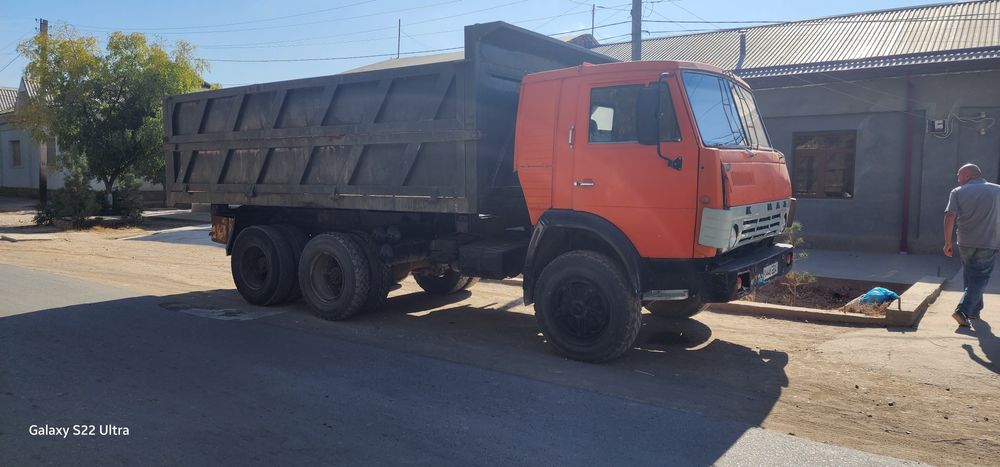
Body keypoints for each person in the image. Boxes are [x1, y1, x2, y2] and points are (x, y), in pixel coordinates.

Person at [943, 163, 1000, 326]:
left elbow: (950, 216)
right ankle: (963, 310)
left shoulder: (958, 192)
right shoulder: (997, 190)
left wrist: (948, 242)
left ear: (967, 175)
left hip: (965, 242)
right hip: (988, 242)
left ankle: (974, 310)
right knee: (979, 277)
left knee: (971, 275)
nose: (958, 178)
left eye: (959, 175)